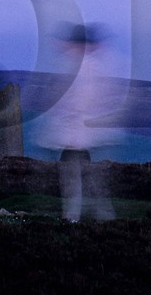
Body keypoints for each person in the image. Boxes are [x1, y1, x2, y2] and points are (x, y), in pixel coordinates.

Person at [47, 24, 123, 222]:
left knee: (75, 179)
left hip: (81, 136)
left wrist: (70, 131)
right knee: (95, 181)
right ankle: (104, 219)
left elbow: (79, 102)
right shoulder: (100, 65)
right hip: (95, 135)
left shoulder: (82, 67)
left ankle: (74, 218)